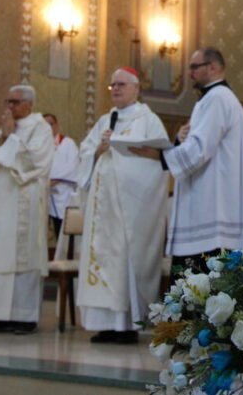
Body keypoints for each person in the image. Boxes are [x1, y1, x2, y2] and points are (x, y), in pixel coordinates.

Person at [132, 47, 243, 273]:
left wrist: (160, 155)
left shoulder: (217, 99)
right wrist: (178, 141)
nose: (190, 72)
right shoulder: (213, 99)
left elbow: (199, 149)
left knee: (199, 288)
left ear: (213, 67)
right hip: (208, 207)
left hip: (210, 213)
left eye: (195, 67)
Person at [75, 67, 169, 345]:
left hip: (130, 210)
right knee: (102, 261)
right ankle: (105, 324)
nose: (115, 89)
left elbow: (159, 162)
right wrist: (98, 151)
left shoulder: (148, 120)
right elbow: (85, 153)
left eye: (121, 85)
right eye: (112, 85)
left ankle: (126, 324)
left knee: (123, 264)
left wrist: (125, 163)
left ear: (136, 88)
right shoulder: (106, 120)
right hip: (103, 210)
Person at [0, 84, 54, 335]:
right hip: (2, 202)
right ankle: (0, 316)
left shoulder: (40, 127)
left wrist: (9, 139)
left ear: (29, 104)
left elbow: (36, 161)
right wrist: (3, 136)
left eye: (15, 102)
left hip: (25, 199)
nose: (9, 107)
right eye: (8, 102)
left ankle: (24, 318)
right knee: (0, 256)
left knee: (24, 258)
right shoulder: (7, 127)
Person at [43, 113, 79, 236]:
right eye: (44, 125)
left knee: (63, 231)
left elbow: (73, 166)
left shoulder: (68, 143)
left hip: (63, 192)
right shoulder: (38, 146)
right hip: (43, 191)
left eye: (50, 124)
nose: (47, 127)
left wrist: (53, 179)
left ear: (57, 126)